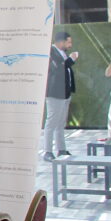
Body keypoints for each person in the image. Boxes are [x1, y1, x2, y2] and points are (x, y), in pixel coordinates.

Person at [43, 31, 77, 160]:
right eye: (68, 42)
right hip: (55, 93)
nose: (70, 45)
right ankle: (47, 151)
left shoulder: (62, 53)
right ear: (60, 42)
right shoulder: (51, 52)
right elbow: (58, 69)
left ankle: (61, 149)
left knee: (60, 123)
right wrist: (71, 60)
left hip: (65, 94)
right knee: (51, 122)